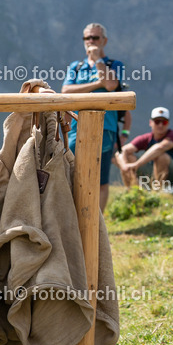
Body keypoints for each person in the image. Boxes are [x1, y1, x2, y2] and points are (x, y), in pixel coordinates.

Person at [61, 22, 125, 211]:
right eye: (87, 38)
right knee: (73, 172)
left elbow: (112, 85)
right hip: (75, 128)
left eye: (95, 37)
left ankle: (98, 222)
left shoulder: (115, 64)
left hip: (106, 127)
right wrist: (98, 84)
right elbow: (66, 90)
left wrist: (98, 61)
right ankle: (75, 216)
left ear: (104, 41)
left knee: (100, 177)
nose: (90, 41)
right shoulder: (76, 66)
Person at [117, 106, 173, 190]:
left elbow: (159, 147)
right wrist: (124, 166)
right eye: (157, 121)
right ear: (150, 122)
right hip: (154, 176)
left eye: (164, 122)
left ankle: (159, 193)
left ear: (168, 123)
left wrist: (136, 165)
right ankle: (133, 192)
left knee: (161, 156)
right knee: (128, 157)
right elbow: (122, 151)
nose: (160, 125)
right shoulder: (146, 138)